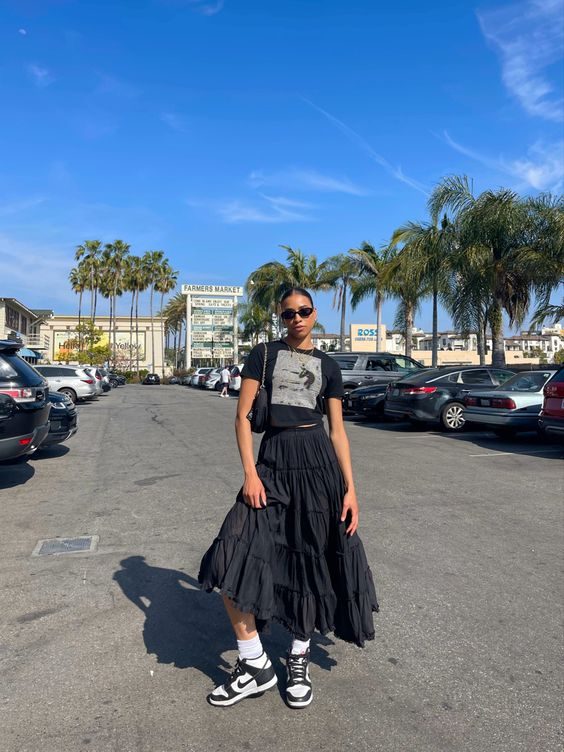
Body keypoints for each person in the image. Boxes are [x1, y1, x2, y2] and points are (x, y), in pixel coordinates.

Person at [198, 287, 379, 709]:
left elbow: (338, 431)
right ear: (280, 318)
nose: (296, 318)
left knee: (311, 560)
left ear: (315, 314)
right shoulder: (264, 355)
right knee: (231, 551)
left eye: (304, 311)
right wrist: (249, 474)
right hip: (274, 462)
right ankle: (255, 662)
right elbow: (242, 419)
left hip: (319, 467)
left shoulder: (330, 366)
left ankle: (299, 656)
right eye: (288, 314)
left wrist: (350, 488)